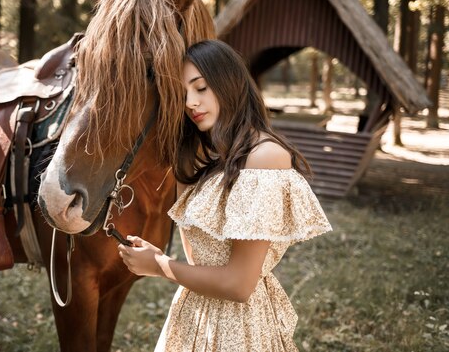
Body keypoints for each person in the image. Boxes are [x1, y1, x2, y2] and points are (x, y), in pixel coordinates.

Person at [117, 39, 332, 351]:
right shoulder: (206, 158)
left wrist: (159, 265)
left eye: (201, 87)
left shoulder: (265, 156)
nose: (190, 102)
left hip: (239, 326)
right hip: (192, 314)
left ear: (229, 83)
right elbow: (198, 260)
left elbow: (238, 285)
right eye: (183, 94)